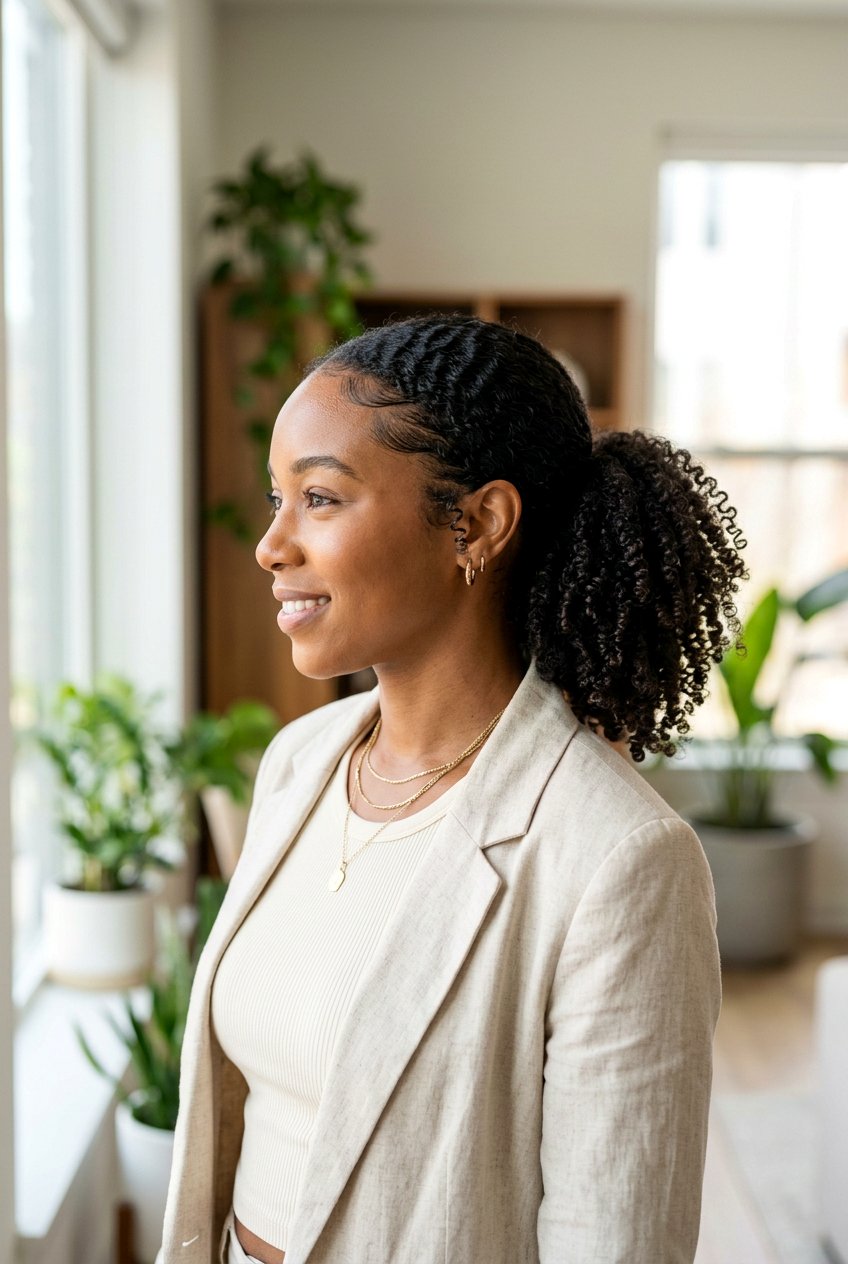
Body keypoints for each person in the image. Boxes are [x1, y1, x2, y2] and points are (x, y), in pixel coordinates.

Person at [160, 314, 747, 1264]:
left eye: (319, 498)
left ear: (476, 524)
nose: (271, 544)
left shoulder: (620, 859)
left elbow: (615, 1238)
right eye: (278, 498)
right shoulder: (300, 763)